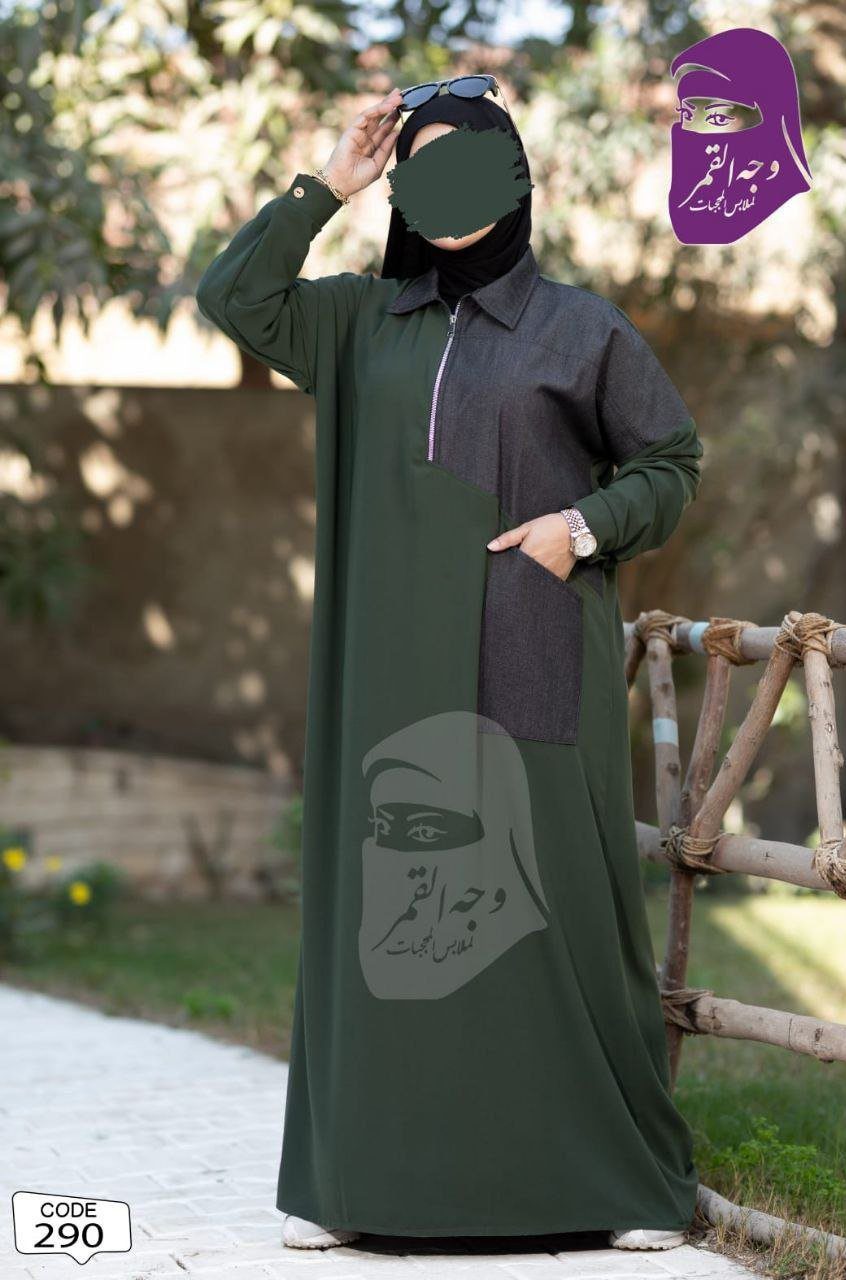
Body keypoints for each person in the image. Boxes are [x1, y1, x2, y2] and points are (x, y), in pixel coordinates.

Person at [195, 80, 703, 1254]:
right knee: (387, 918)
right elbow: (233, 296)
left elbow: (670, 462)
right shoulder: (358, 322)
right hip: (384, 672)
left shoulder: (580, 329)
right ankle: (358, 1180)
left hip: (532, 659)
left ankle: (620, 1179)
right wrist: (327, 184)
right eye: (420, 167)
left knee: (555, 916)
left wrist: (578, 527)